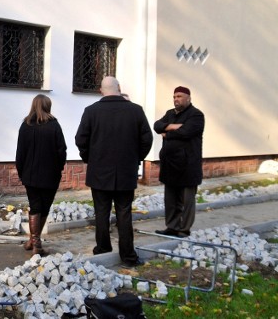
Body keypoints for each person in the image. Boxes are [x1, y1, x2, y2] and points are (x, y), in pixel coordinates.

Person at [75, 76, 153, 267]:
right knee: (124, 213)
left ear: (101, 90)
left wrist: (90, 159)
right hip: (126, 171)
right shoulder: (135, 111)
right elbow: (147, 139)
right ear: (119, 88)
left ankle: (103, 249)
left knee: (101, 212)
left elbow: (80, 140)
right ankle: (127, 255)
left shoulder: (91, 111)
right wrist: (136, 158)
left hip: (99, 172)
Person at [15, 94, 67, 255]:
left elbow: (20, 153)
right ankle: (36, 243)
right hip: (50, 174)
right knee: (44, 207)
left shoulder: (25, 125)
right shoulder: (54, 125)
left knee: (35, 206)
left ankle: (33, 241)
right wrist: (58, 168)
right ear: (47, 106)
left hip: (30, 175)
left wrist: (21, 172)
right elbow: (62, 150)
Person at [153, 86, 205, 238]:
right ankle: (172, 226)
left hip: (187, 165)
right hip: (170, 164)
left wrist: (167, 133)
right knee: (170, 199)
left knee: (186, 200)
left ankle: (184, 229)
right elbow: (157, 126)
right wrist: (172, 126)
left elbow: (186, 132)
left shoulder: (196, 115)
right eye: (175, 96)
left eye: (180, 96)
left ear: (188, 98)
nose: (176, 99)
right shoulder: (170, 113)